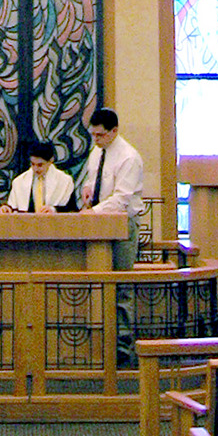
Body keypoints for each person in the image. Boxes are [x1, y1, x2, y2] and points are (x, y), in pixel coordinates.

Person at [76, 107, 145, 359]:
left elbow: (122, 198)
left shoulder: (129, 157)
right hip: (99, 225)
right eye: (93, 135)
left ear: (114, 131)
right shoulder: (97, 151)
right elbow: (92, 179)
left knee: (121, 286)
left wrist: (93, 212)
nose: (96, 140)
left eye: (100, 135)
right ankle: (98, 344)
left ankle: (123, 348)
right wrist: (86, 190)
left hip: (122, 226)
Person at [0, 139, 75, 214]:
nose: (35, 169)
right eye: (33, 164)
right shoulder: (19, 181)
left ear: (50, 161)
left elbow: (71, 209)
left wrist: (54, 210)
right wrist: (7, 208)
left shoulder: (65, 181)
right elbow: (13, 207)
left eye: (40, 165)